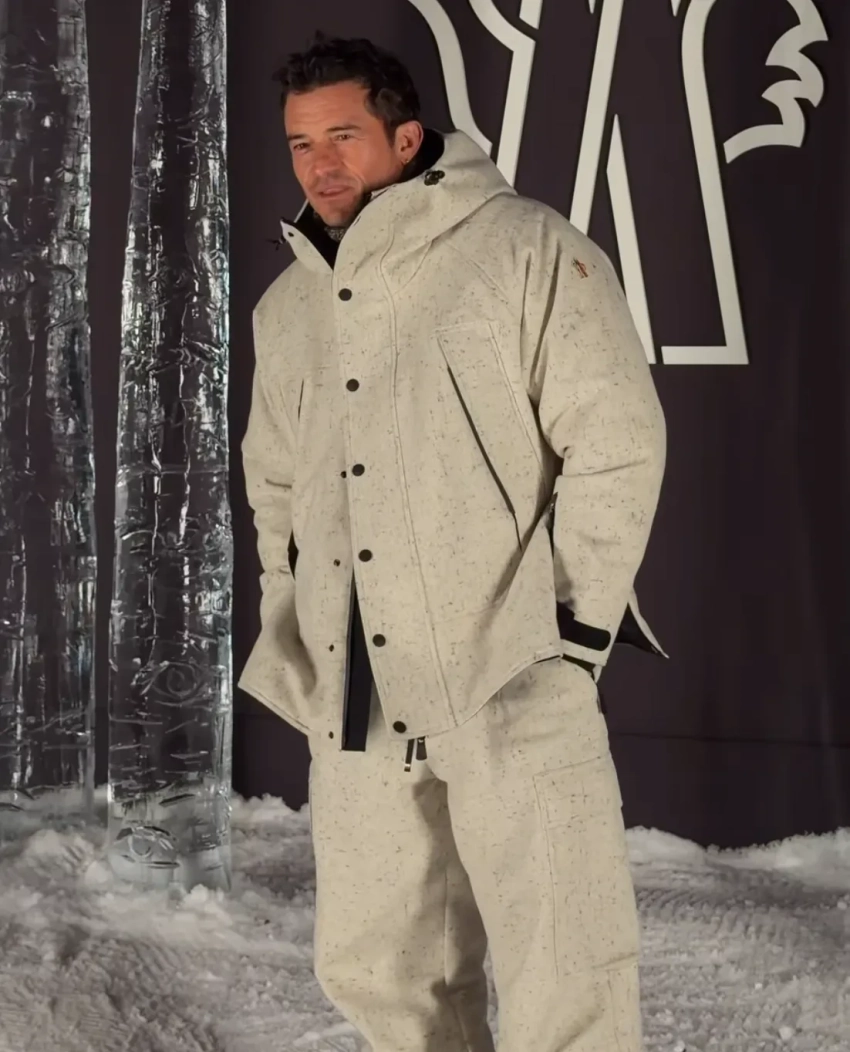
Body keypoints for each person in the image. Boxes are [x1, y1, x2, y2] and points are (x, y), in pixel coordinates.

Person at [240, 31, 667, 1052]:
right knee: (381, 966)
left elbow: (617, 439)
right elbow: (275, 483)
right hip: (356, 689)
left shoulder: (524, 249)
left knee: (564, 962)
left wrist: (572, 633)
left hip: (508, 665)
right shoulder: (287, 305)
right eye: (301, 144)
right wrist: (292, 619)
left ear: (406, 136)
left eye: (343, 136)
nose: (320, 165)